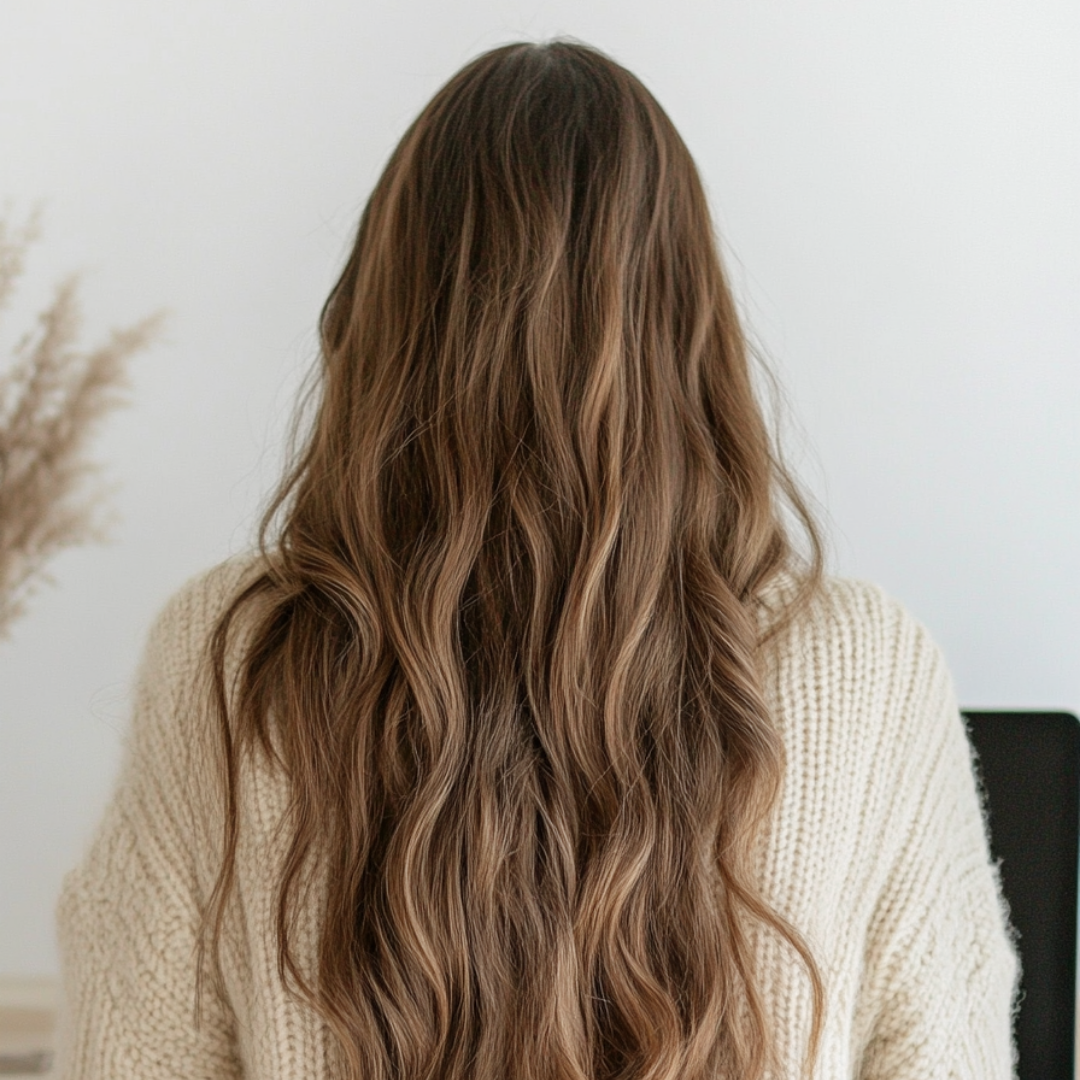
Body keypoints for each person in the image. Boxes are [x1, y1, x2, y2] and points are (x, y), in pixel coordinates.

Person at [50, 39, 1020, 1080]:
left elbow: (132, 1057)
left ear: (382, 318)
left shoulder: (233, 653)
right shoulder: (865, 667)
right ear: (687, 327)